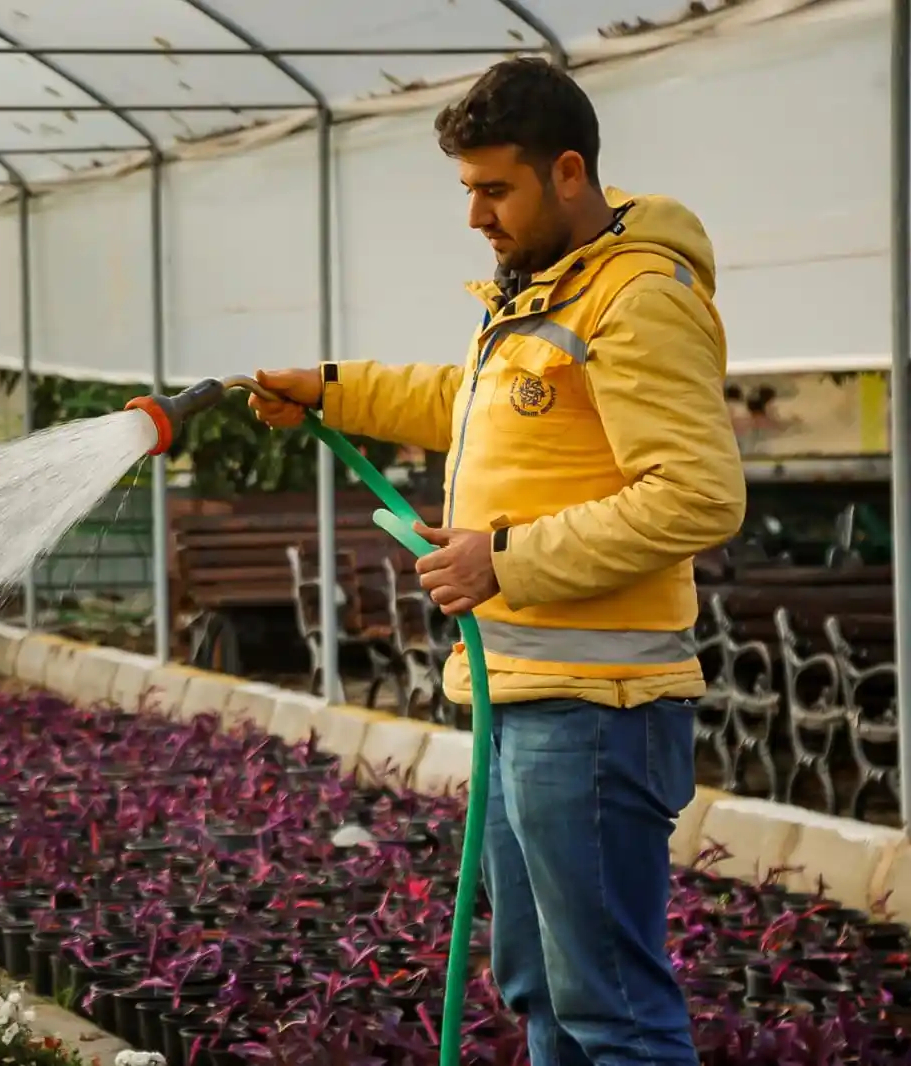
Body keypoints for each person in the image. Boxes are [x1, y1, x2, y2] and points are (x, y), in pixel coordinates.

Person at [249, 57, 745, 1066]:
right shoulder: (542, 292)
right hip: (530, 697)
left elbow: (700, 495)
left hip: (599, 709)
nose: (475, 214)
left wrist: (503, 559)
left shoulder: (637, 297)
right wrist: (331, 388)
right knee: (545, 996)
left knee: (609, 1009)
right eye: (466, 189)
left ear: (568, 172)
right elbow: (465, 402)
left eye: (493, 188)